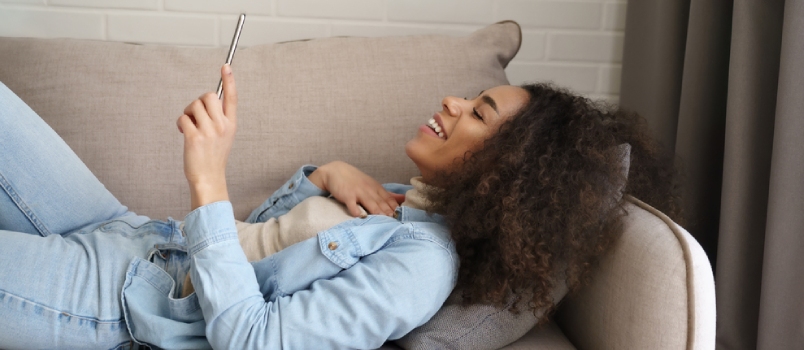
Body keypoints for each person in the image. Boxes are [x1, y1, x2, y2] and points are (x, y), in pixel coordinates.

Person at [0, 64, 682, 349]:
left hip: (114, 303)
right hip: (131, 233)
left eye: (477, 113)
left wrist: (208, 182)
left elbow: (253, 340)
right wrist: (325, 173)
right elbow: (267, 243)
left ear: (504, 171)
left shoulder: (421, 269)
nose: (450, 104)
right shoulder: (400, 206)